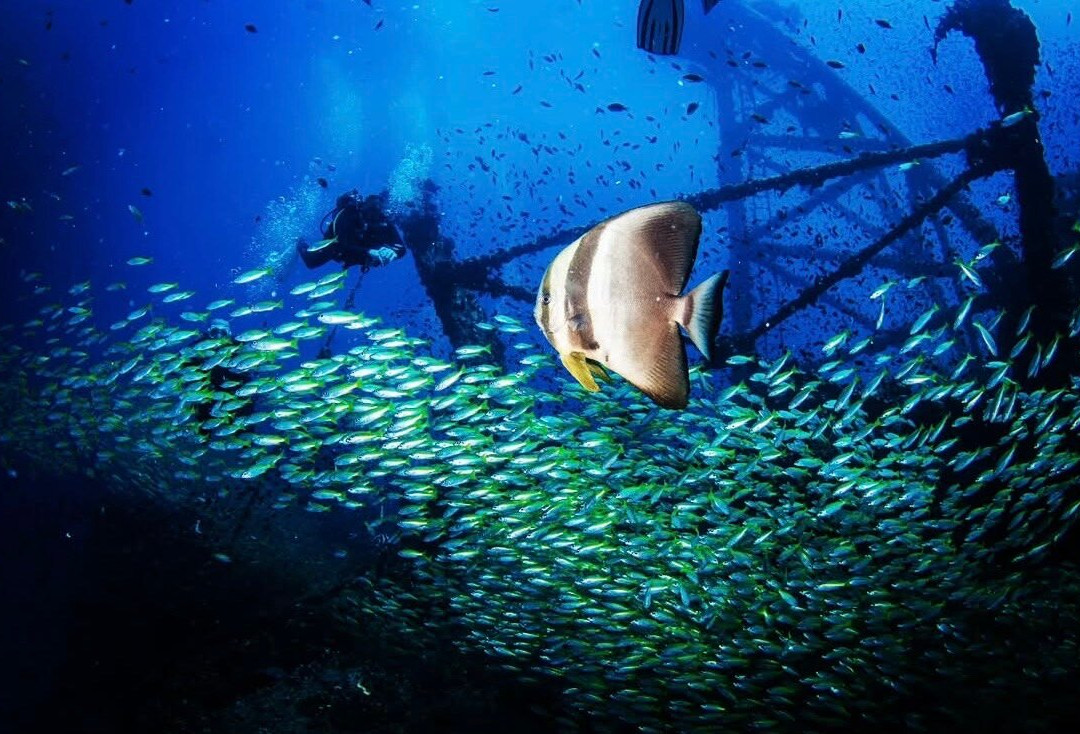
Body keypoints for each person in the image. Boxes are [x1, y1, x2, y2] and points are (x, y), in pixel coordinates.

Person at [296, 190, 406, 271]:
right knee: (311, 262)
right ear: (363, 208)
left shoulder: (384, 220)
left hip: (361, 254)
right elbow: (342, 244)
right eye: (370, 214)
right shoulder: (349, 213)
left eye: (377, 214)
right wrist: (370, 252)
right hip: (337, 246)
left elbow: (401, 248)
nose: (373, 219)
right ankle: (299, 242)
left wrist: (394, 252)